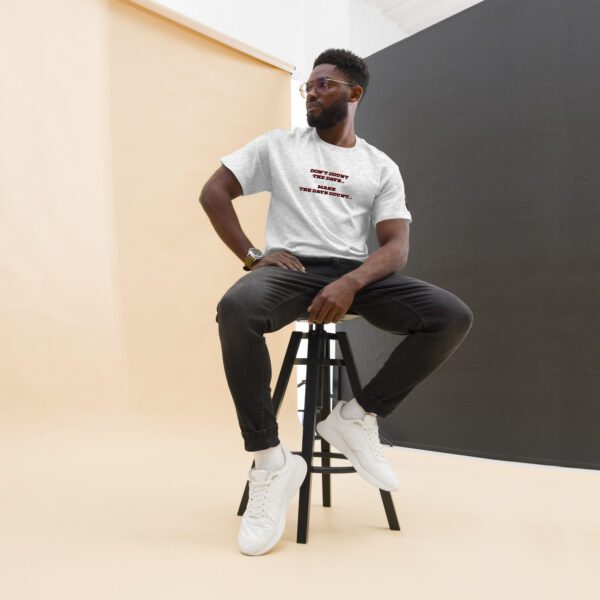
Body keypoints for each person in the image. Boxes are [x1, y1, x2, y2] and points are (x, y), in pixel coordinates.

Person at [199, 48, 474, 556]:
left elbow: (396, 247)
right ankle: (270, 462)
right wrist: (254, 256)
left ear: (354, 93)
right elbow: (213, 192)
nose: (311, 91)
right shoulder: (279, 146)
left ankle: (355, 416)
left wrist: (351, 283)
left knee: (450, 316)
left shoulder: (379, 166)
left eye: (323, 84)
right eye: (308, 85)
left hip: (355, 274)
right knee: (236, 309)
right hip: (292, 271)